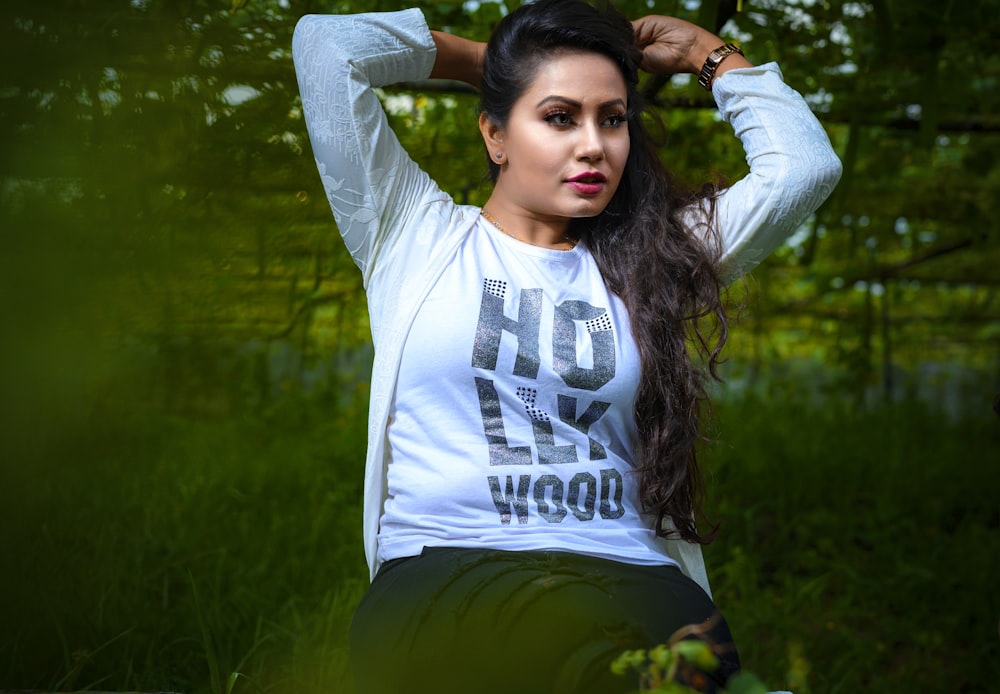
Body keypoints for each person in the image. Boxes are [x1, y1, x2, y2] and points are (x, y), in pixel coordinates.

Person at [292, 1, 840, 691]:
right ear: (495, 133)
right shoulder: (413, 234)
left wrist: (710, 55)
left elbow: (803, 169)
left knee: (658, 660)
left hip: (634, 581)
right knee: (573, 652)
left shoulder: (655, 260)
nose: (594, 146)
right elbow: (325, 47)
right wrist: (482, 60)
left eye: (612, 119)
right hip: (451, 576)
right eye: (559, 116)